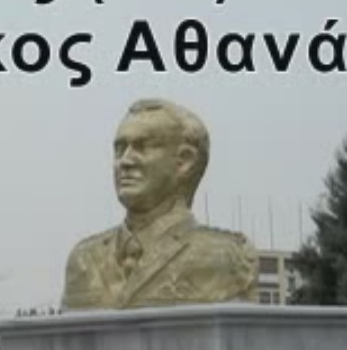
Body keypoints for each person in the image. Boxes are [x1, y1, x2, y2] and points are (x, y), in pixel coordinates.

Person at [60, 98, 257, 310]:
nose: (125, 161)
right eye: (120, 148)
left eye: (142, 147)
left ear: (184, 161)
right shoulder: (84, 261)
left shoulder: (227, 257)